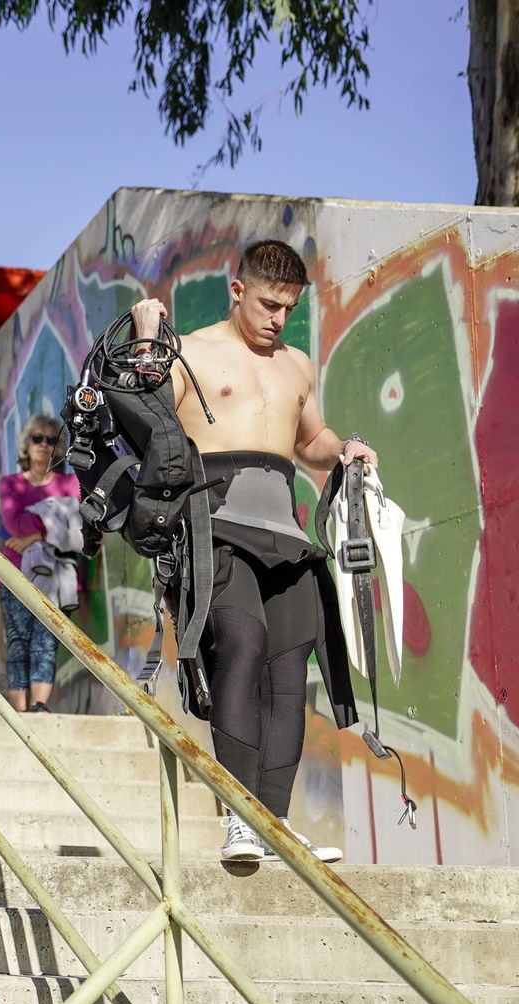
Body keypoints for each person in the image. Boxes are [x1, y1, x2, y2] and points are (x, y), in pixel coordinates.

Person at [131, 239, 378, 864]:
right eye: (269, 305)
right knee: (243, 643)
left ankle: (274, 823)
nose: (279, 319)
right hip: (213, 523)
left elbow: (310, 439)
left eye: (289, 308)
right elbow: (144, 415)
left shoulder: (296, 364)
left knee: (291, 671)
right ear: (237, 291)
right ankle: (240, 819)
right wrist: (147, 337)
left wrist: (345, 448)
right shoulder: (190, 351)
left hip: (283, 531)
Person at [0, 414, 81, 713]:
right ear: (26, 445)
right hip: (14, 574)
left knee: (46, 641)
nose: (44, 445)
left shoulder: (69, 483)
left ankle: (39, 707)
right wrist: (53, 521)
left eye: (51, 440)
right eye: (37, 438)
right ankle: (19, 713)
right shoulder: (10, 484)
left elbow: (77, 524)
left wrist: (34, 536)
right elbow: (14, 524)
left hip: (56, 574)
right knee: (18, 642)